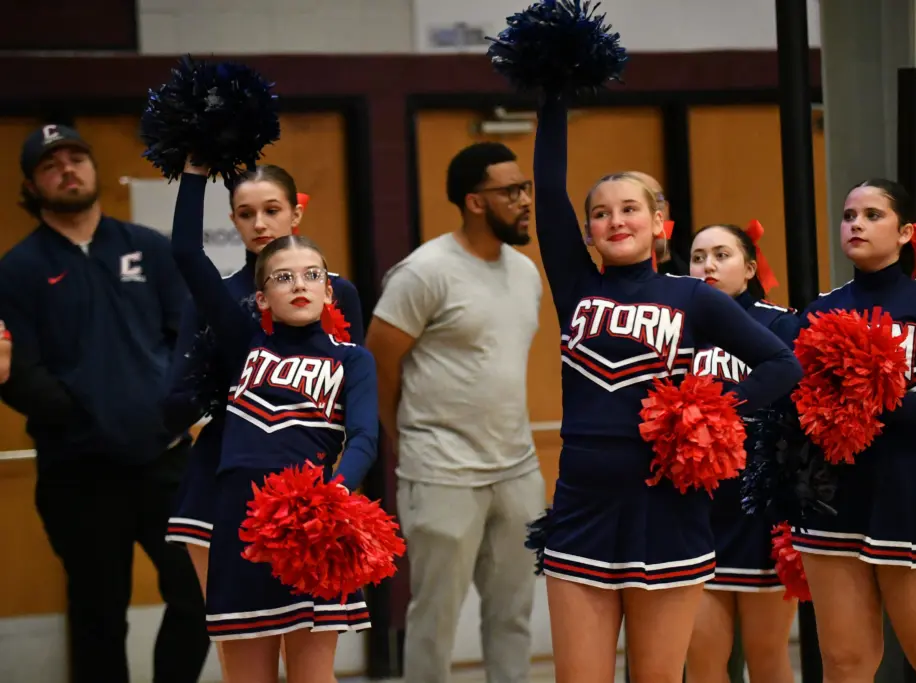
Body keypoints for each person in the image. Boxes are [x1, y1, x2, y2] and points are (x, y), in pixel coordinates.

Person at [531, 95, 803, 683]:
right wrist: (553, 96)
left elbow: (782, 364)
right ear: (588, 232)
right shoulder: (576, 286)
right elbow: (548, 191)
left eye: (630, 208)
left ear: (659, 224)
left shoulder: (692, 296)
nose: (615, 220)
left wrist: (714, 413)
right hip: (582, 506)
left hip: (668, 508)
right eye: (600, 213)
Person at [0, 124, 209, 683]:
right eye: (50, 165)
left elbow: (188, 339)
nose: (67, 170)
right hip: (79, 474)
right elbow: (18, 373)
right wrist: (86, 422)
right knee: (98, 615)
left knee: (198, 595)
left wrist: (170, 412)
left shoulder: (150, 248)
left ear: (93, 169)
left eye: (76, 158)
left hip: (167, 462)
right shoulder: (16, 271)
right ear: (32, 186)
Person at [172, 161, 378, 683]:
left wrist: (335, 495)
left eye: (312, 276)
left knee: (312, 675)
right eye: (283, 278)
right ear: (262, 298)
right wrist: (193, 173)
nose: (299, 285)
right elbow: (187, 254)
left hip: (314, 524)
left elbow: (365, 436)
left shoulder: (353, 359)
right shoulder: (245, 343)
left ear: (330, 291)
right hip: (240, 523)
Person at [365, 141, 546, 683]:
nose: (525, 200)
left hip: (517, 469)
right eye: (510, 191)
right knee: (434, 619)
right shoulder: (424, 272)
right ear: (475, 201)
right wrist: (405, 438)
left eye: (525, 188)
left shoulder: (526, 273)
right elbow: (378, 363)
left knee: (513, 616)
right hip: (442, 470)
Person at [792, 179, 916, 683]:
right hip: (835, 497)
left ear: (905, 233)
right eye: (849, 215)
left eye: (873, 215)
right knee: (844, 662)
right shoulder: (820, 311)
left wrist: (868, 403)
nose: (856, 224)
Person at [685, 223, 799, 683]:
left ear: (750, 268)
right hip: (696, 508)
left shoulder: (780, 324)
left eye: (721, 255)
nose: (707, 266)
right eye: (697, 257)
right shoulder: (680, 327)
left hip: (759, 511)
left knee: (767, 658)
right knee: (702, 660)